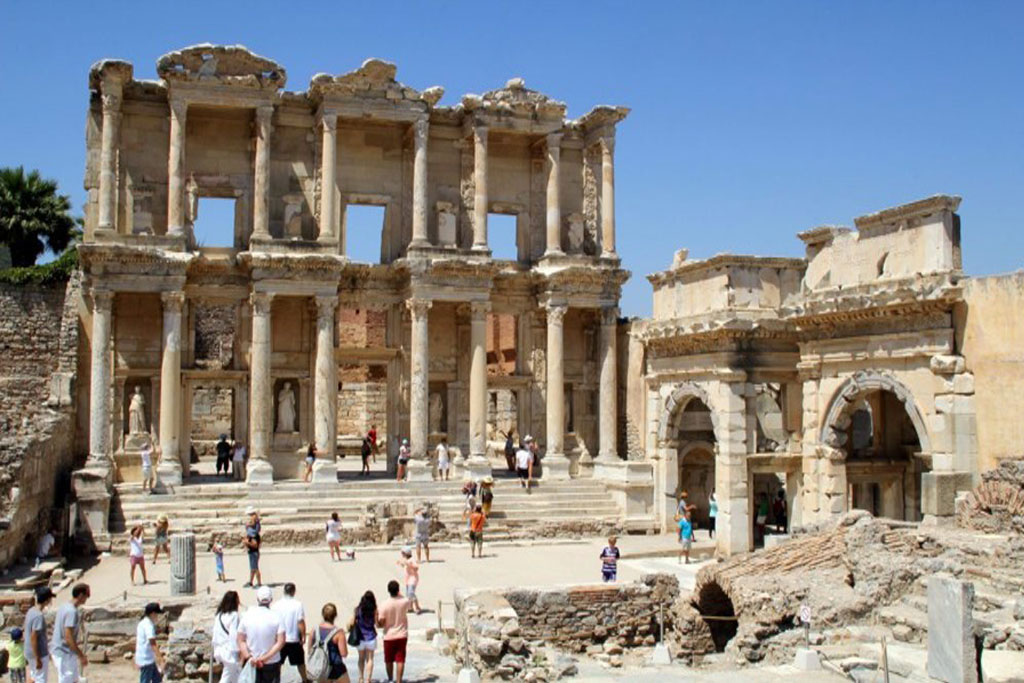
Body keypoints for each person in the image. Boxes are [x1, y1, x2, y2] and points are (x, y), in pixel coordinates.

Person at [237, 586, 285, 683]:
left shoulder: (246, 615)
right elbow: (281, 641)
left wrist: (249, 657)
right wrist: (264, 658)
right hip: (271, 662)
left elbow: (240, 640)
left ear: (257, 599)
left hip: (252, 662)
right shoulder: (277, 616)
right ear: (271, 600)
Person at [52, 583, 89, 683]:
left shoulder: (64, 606)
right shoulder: (71, 612)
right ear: (81, 595)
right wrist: (81, 655)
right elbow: (68, 637)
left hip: (64, 652)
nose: (87, 598)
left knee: (74, 679)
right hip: (64, 653)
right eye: (87, 595)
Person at [271, 583, 307, 682]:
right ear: (294, 592)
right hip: (293, 639)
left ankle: (275, 679)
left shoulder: (276, 605)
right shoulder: (297, 604)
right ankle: (305, 679)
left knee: (278, 662)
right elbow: (300, 622)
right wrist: (303, 635)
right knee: (300, 662)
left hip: (280, 639)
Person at [377, 580, 410, 683]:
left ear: (388, 591)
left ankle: (391, 679)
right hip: (402, 634)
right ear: (398, 590)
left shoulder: (384, 604)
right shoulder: (404, 601)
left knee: (388, 659)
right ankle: (399, 680)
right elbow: (407, 601)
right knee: (400, 659)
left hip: (389, 635)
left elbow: (381, 623)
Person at [308, 603, 349, 683]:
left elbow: (310, 649)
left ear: (322, 614)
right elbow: (344, 653)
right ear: (335, 615)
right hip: (335, 666)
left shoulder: (314, 630)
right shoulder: (338, 632)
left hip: (321, 666)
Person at [23, 586, 53, 683]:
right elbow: (34, 637)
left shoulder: (31, 611)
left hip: (28, 652)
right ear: (47, 600)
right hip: (38, 653)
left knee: (33, 676)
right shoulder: (38, 616)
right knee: (40, 679)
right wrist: (38, 658)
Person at [211, 591, 242, 683]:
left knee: (235, 677)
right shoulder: (234, 616)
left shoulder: (219, 615)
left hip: (219, 650)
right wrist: (238, 651)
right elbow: (233, 636)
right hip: (229, 652)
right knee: (226, 678)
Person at [350, 592, 377, 683]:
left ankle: (361, 678)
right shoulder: (374, 610)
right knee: (370, 658)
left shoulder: (357, 610)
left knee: (361, 658)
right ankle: (368, 679)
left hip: (360, 637)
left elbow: (352, 622)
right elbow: (376, 623)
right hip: (371, 636)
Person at [135, 602, 165, 683]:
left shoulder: (143, 623)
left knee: (157, 680)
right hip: (146, 660)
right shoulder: (148, 625)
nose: (158, 617)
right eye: (157, 614)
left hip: (148, 659)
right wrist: (160, 659)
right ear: (153, 614)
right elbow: (153, 644)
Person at [396, 548, 422, 614]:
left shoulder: (412, 560)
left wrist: (409, 564)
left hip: (413, 578)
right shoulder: (406, 560)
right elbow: (404, 566)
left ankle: (417, 607)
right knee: (408, 594)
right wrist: (400, 563)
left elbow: (416, 568)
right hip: (407, 578)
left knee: (411, 592)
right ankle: (410, 607)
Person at [244, 512, 262, 588]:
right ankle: (250, 582)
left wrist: (247, 543)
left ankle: (259, 583)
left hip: (254, 553)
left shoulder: (255, 536)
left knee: (256, 568)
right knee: (252, 568)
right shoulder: (252, 535)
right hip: (251, 552)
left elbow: (255, 545)